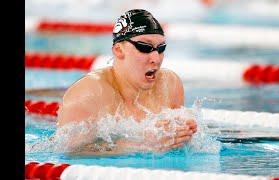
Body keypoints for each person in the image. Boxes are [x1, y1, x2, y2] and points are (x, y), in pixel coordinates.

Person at [56, 9, 197, 155]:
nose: (156, 58)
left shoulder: (170, 85)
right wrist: (139, 144)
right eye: (145, 47)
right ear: (118, 50)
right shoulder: (88, 94)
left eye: (161, 48)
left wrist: (183, 132)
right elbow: (70, 152)